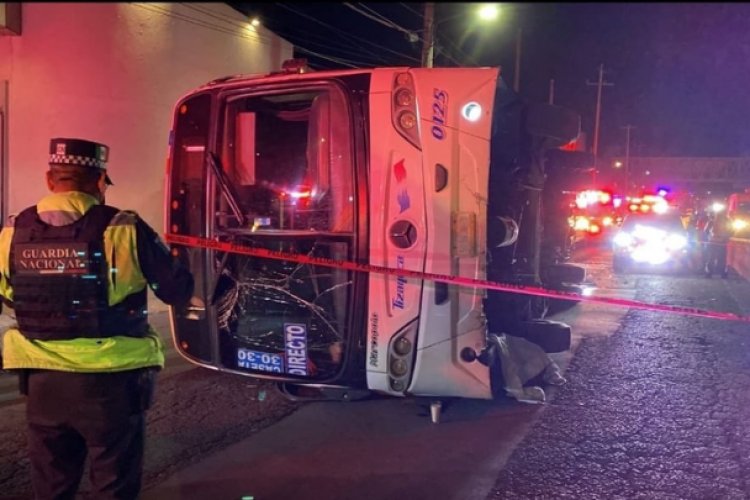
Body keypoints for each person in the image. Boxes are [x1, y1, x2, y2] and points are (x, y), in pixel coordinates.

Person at [0, 138, 195, 499]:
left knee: (52, 484)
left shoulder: (12, 232)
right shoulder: (124, 228)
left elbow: (8, 295)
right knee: (113, 483)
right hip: (112, 382)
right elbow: (177, 290)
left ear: (49, 179)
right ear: (100, 179)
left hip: (42, 382)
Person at [703, 208, 732, 278]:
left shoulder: (712, 221)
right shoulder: (727, 221)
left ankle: (709, 273)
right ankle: (722, 273)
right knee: (721, 258)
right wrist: (726, 238)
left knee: (711, 258)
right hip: (721, 243)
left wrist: (709, 238)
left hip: (712, 242)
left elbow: (705, 231)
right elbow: (731, 231)